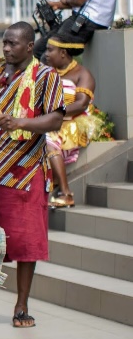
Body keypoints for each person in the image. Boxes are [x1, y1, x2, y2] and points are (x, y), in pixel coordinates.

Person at [0, 22, 65, 329]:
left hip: (25, 169)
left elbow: (55, 120)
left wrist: (20, 123)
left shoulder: (46, 76)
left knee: (26, 242)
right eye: (4, 42)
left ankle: (21, 306)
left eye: (12, 43)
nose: (6, 48)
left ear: (29, 46)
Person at [42, 33, 98, 209]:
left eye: (50, 50)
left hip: (76, 123)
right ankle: (51, 182)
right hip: (53, 122)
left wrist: (55, 114)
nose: (46, 54)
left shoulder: (82, 74)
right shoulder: (47, 72)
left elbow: (81, 104)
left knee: (48, 141)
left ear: (63, 53)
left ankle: (65, 194)